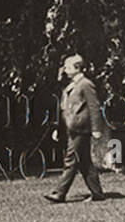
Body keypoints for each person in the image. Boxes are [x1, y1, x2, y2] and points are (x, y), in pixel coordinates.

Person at [44, 54, 106, 203]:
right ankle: (97, 193)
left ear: (77, 68)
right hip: (72, 128)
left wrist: (96, 128)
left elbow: (94, 107)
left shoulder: (85, 84)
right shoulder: (72, 85)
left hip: (81, 129)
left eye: (67, 67)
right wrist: (58, 128)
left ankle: (59, 193)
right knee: (84, 162)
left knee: (71, 160)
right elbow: (65, 109)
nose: (64, 70)